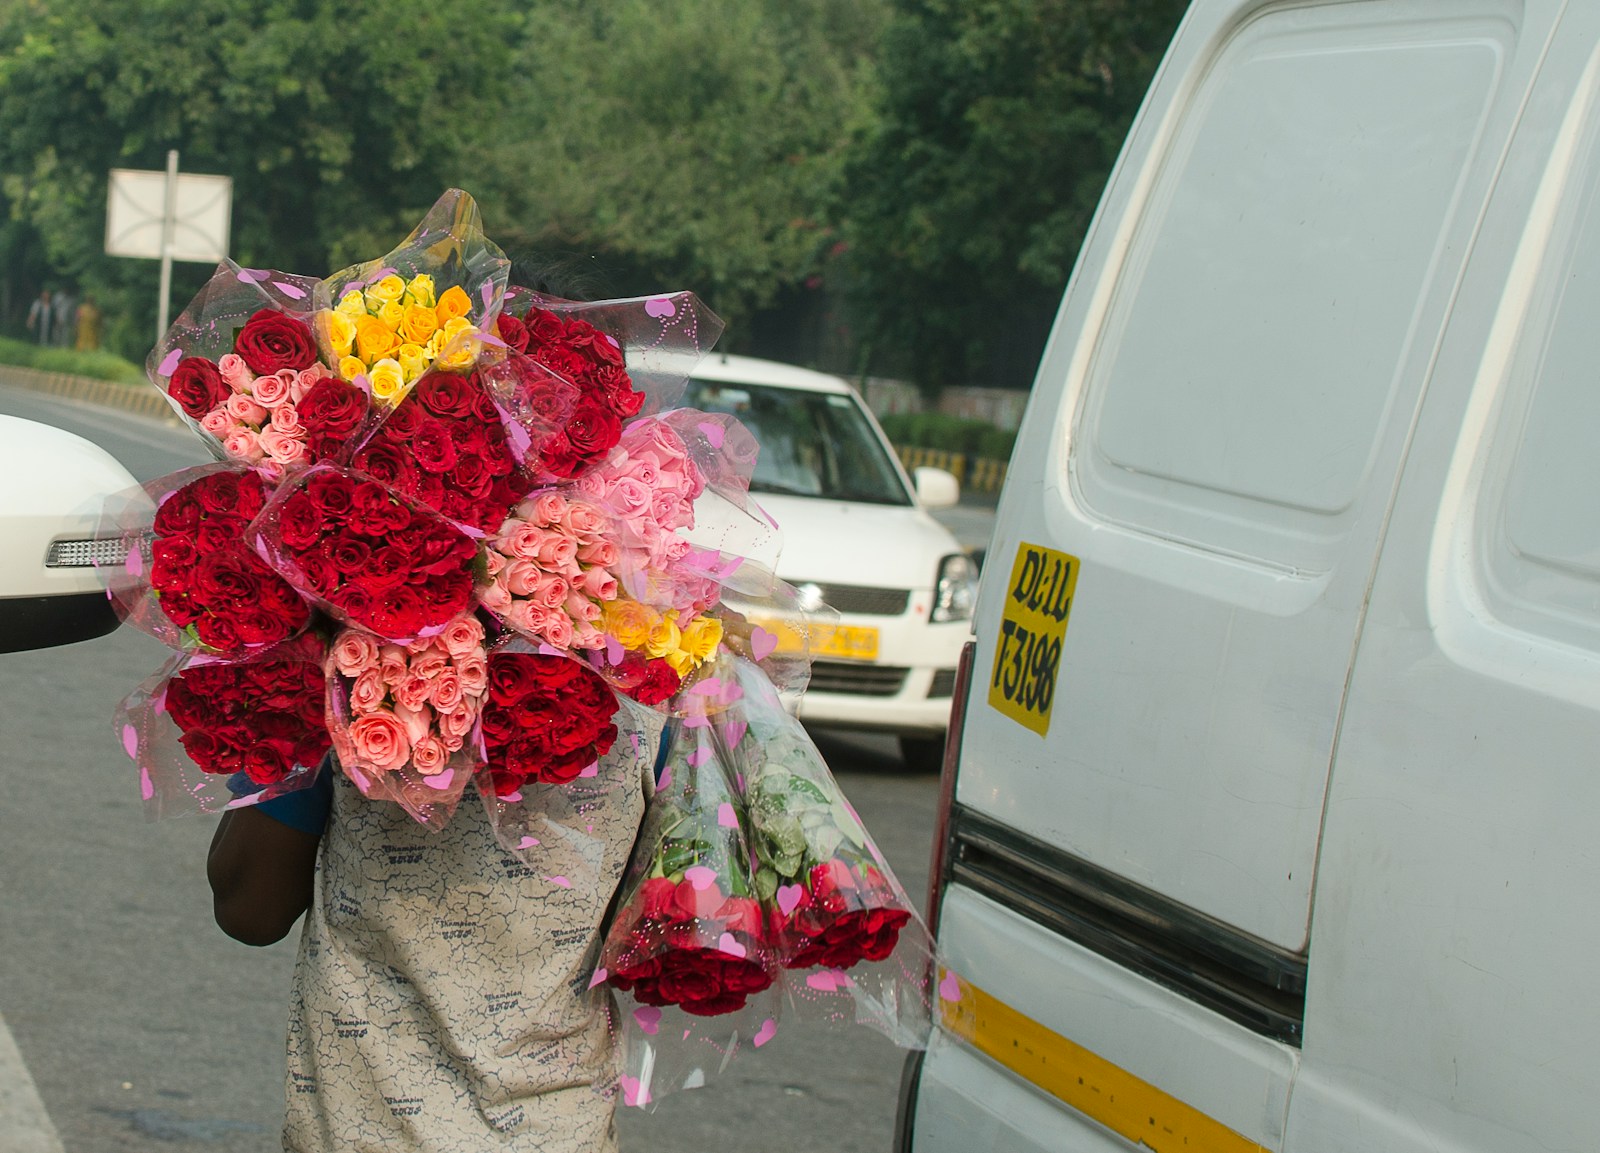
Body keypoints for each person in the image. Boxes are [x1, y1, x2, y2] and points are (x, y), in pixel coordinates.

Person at [209, 723, 668, 1153]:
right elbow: (660, 934)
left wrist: (291, 714)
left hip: (364, 1124)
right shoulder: (663, 686)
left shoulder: (356, 682)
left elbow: (250, 909)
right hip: (560, 1126)